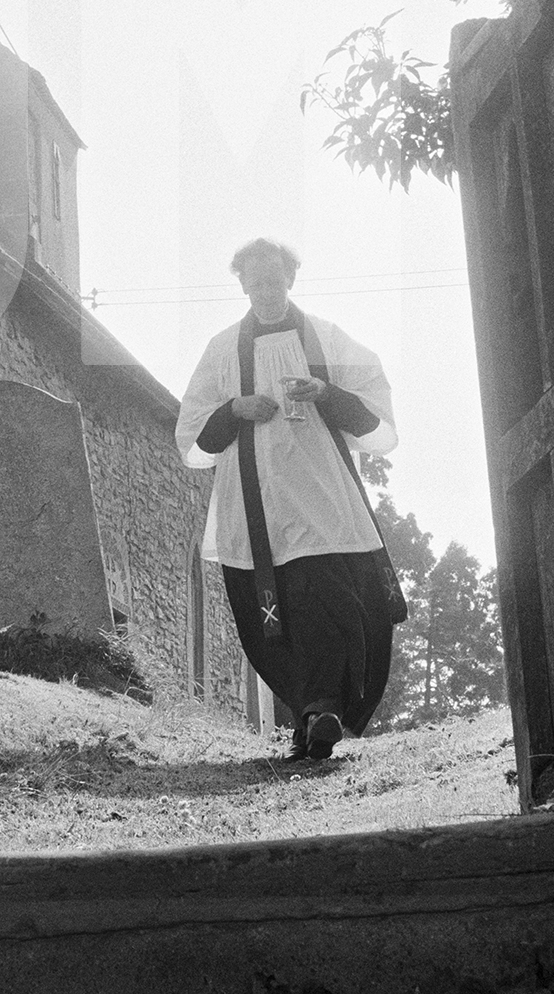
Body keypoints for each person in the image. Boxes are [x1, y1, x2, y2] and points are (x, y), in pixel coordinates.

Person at [176, 236, 399, 759]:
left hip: (323, 505)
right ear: (242, 286)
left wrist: (328, 395)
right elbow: (191, 435)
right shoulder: (222, 350)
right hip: (257, 512)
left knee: (333, 604)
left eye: (274, 281)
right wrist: (235, 408)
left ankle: (325, 709)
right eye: (255, 284)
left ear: (291, 279)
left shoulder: (326, 338)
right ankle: (310, 714)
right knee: (272, 623)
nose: (265, 292)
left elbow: (378, 413)